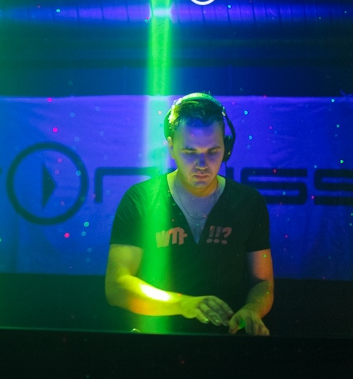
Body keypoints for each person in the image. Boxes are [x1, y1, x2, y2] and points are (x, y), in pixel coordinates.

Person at [105, 93, 274, 335]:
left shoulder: (248, 202)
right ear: (171, 147)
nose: (202, 164)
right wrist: (183, 304)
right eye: (190, 152)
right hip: (156, 342)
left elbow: (263, 282)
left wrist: (252, 310)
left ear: (226, 149)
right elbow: (116, 286)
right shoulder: (141, 199)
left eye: (212, 151)